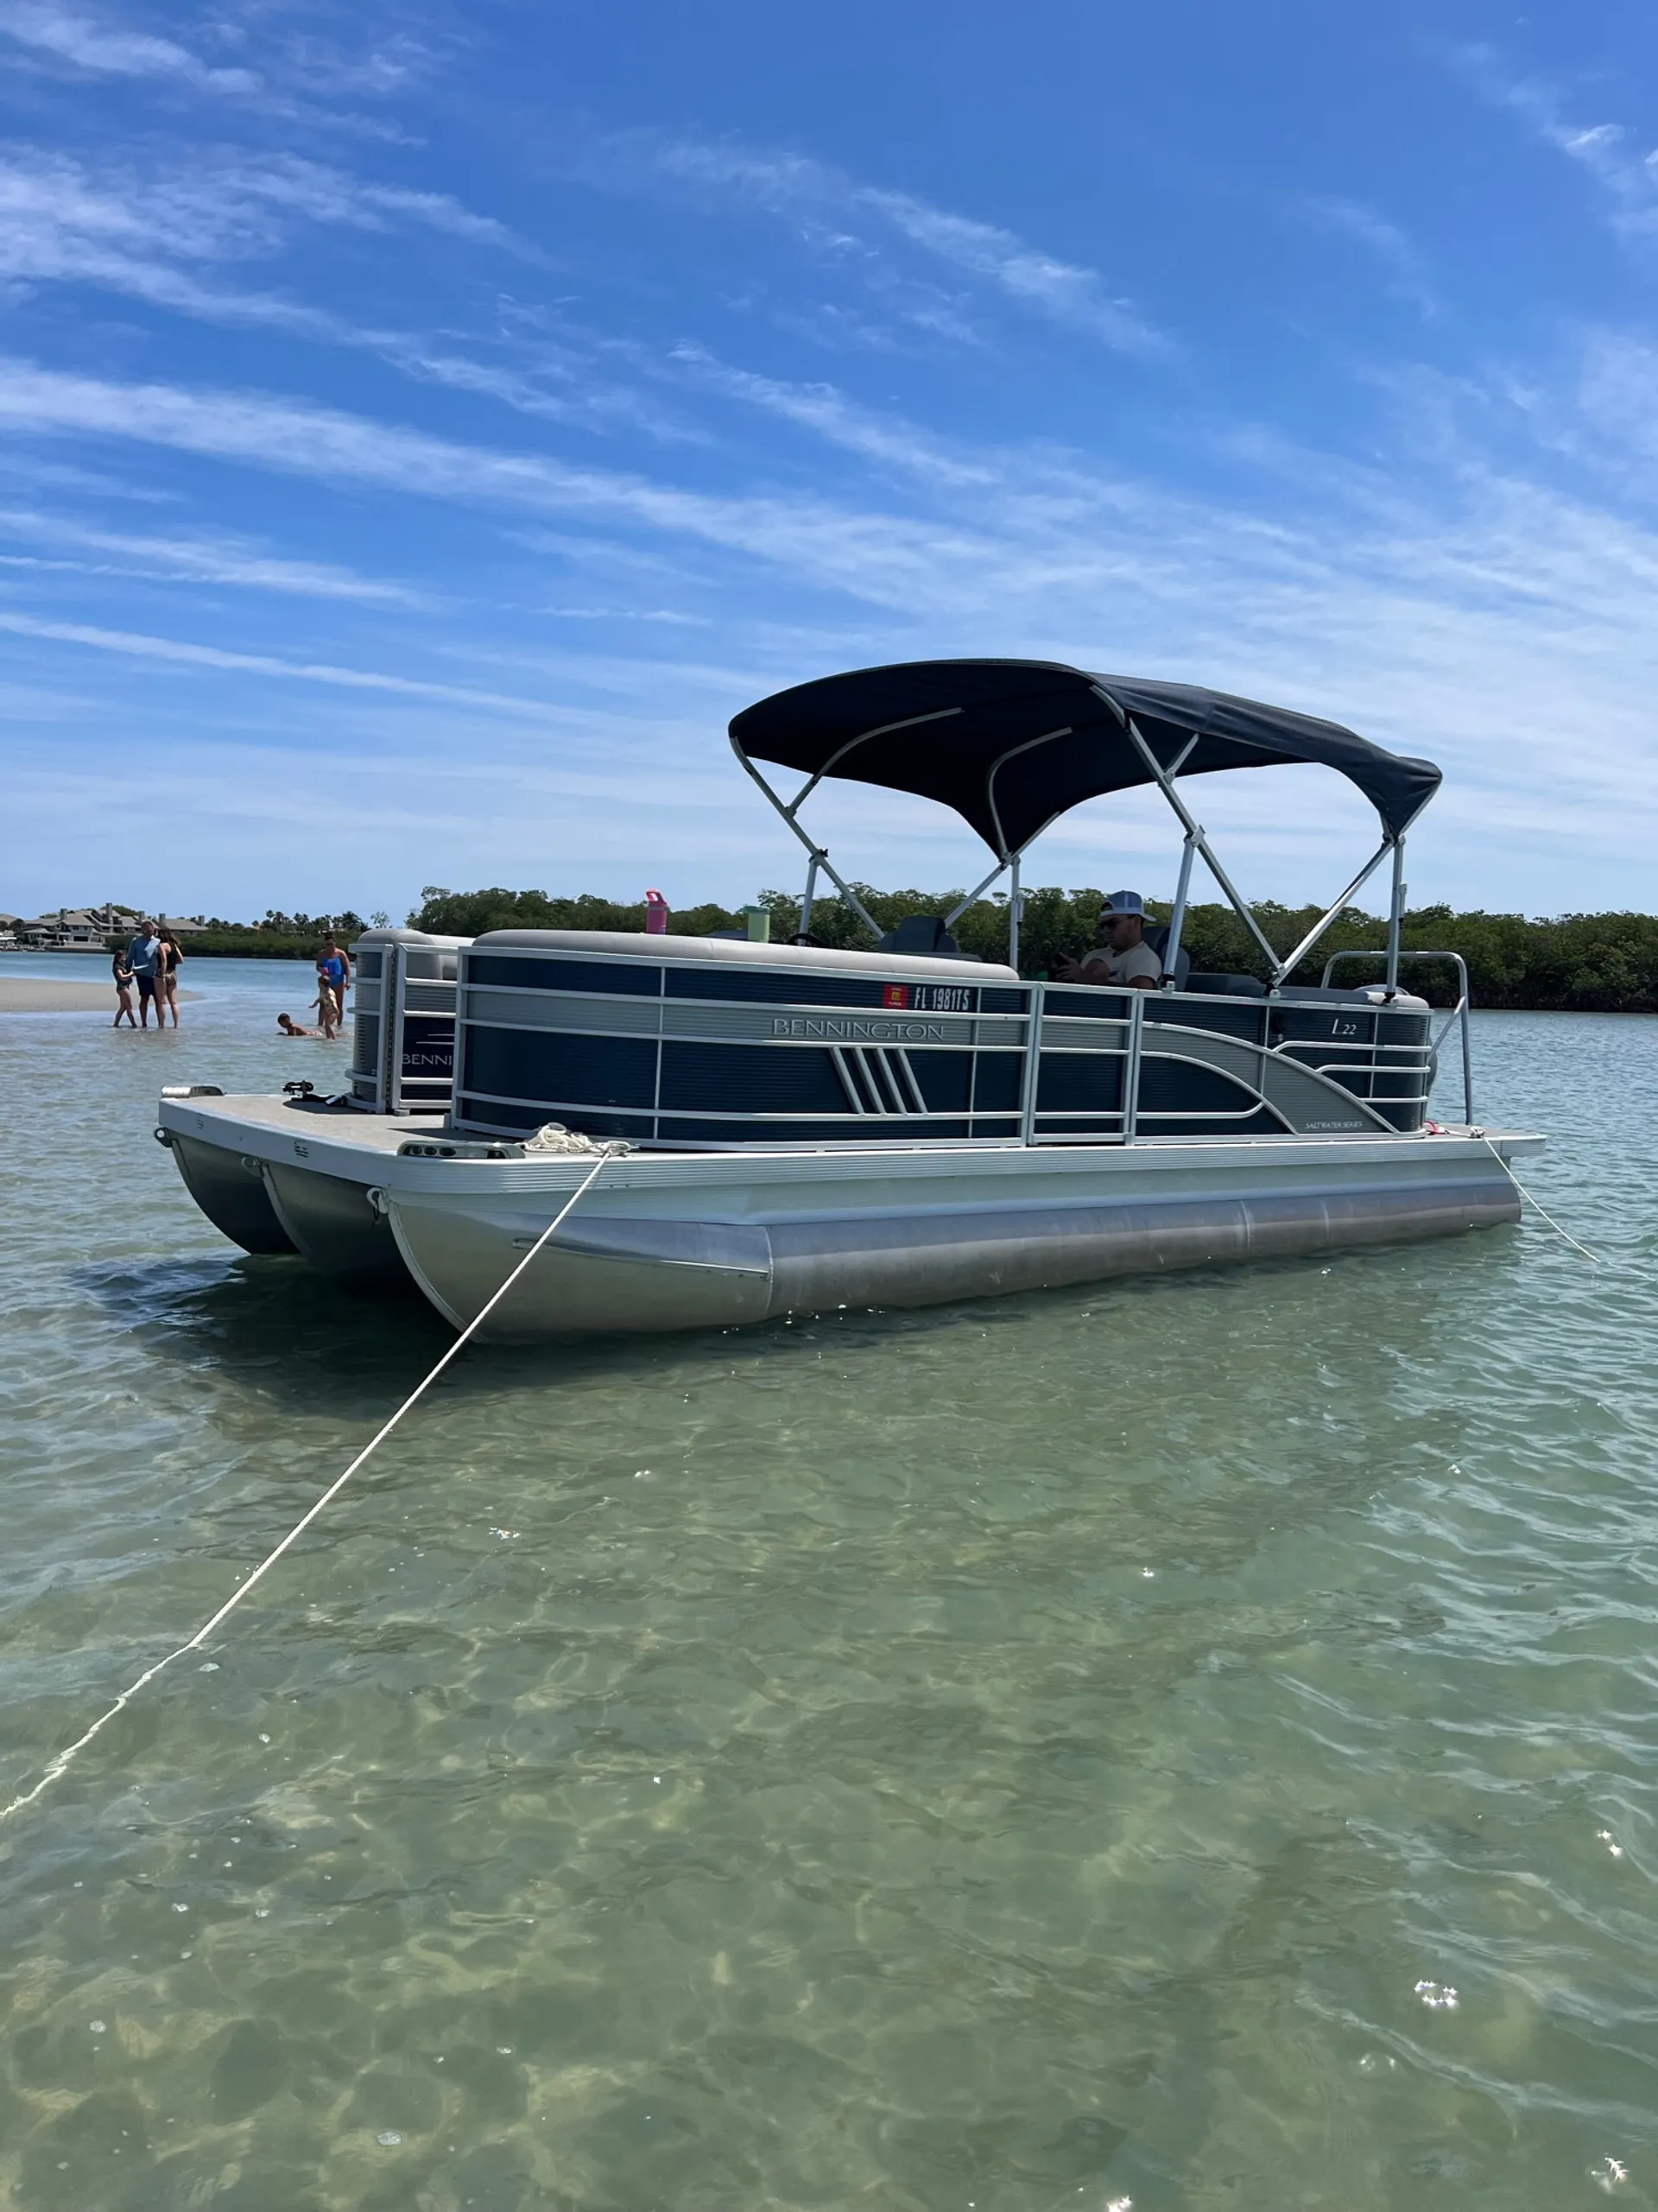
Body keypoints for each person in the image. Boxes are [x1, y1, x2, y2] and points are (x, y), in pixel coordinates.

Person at [1053, 891, 1163, 989]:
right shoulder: (1093, 955)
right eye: (1103, 925)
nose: (1106, 930)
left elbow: (1140, 996)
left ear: (1136, 921)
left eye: (1112, 923)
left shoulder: (1144, 957)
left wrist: (1093, 982)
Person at [125, 920, 164, 1028]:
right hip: (142, 974)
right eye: (147, 931)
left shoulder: (158, 941)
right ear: (142, 931)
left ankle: (160, 1024)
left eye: (151, 931)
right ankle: (144, 1023)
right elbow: (130, 957)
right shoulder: (136, 941)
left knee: (158, 1000)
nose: (149, 933)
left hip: (156, 975)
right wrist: (128, 972)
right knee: (144, 998)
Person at [315, 933, 351, 1039]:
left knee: (338, 1004)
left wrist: (348, 982)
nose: (330, 946)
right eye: (327, 944)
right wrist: (320, 969)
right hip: (326, 981)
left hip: (338, 980)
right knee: (323, 1004)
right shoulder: (322, 954)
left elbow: (347, 968)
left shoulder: (341, 954)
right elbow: (317, 966)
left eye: (331, 944)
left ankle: (339, 1026)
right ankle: (320, 1026)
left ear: (335, 943)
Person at [156, 926, 183, 1028]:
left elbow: (163, 960)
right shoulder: (174, 946)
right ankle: (176, 1025)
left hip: (162, 973)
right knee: (174, 1002)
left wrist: (162, 974)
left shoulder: (161, 946)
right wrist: (172, 963)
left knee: (162, 1002)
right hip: (173, 973)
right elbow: (181, 960)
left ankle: (162, 1026)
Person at [111, 947, 136, 1028]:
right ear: (117, 958)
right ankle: (134, 1025)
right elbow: (121, 977)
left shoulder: (123, 966)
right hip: (122, 988)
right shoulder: (118, 967)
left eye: (125, 957)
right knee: (129, 1006)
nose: (124, 959)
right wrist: (131, 974)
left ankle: (116, 1024)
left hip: (124, 987)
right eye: (122, 957)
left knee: (123, 1007)